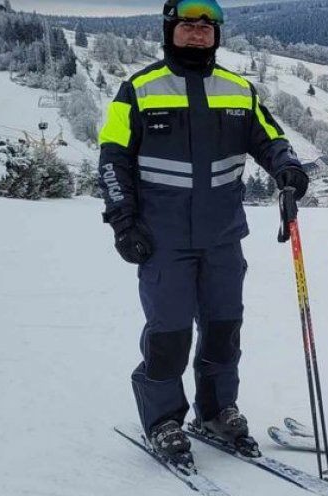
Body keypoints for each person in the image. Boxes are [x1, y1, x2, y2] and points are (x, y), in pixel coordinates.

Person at [97, 0, 309, 464]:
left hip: (222, 235)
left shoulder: (237, 90)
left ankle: (215, 411)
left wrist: (288, 169)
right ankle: (164, 419)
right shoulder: (138, 89)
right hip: (162, 237)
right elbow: (112, 160)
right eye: (188, 27)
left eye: (206, 28)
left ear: (217, 36)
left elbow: (271, 139)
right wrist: (123, 220)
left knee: (222, 329)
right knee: (169, 333)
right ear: (170, 31)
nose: (197, 35)